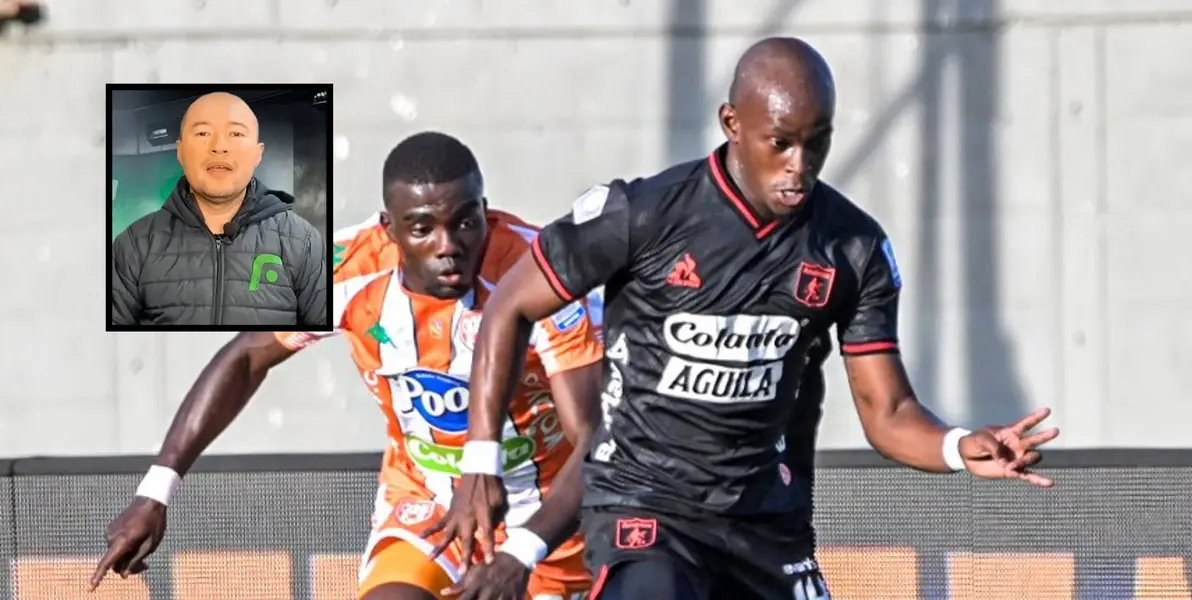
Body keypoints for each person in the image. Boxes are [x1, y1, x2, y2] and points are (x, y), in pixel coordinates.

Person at [432, 37, 1061, 600]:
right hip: (647, 507)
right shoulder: (644, 213)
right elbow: (511, 305)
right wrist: (479, 461)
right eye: (780, 143)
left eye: (817, 143)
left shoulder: (852, 247)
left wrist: (957, 446)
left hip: (765, 523)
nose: (799, 164)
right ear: (732, 123)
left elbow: (889, 413)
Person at [90, 132, 603, 600]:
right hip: (426, 502)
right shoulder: (348, 270)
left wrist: (524, 550)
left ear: (485, 211)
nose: (448, 246)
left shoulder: (542, 274)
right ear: (390, 229)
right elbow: (247, 356)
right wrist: (156, 491)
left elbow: (595, 442)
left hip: (548, 520)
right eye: (422, 228)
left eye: (466, 223)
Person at [111, 91, 328, 327]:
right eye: (203, 133)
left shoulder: (303, 241)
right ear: (180, 151)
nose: (219, 147)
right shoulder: (133, 245)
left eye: (235, 133)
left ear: (257, 154)